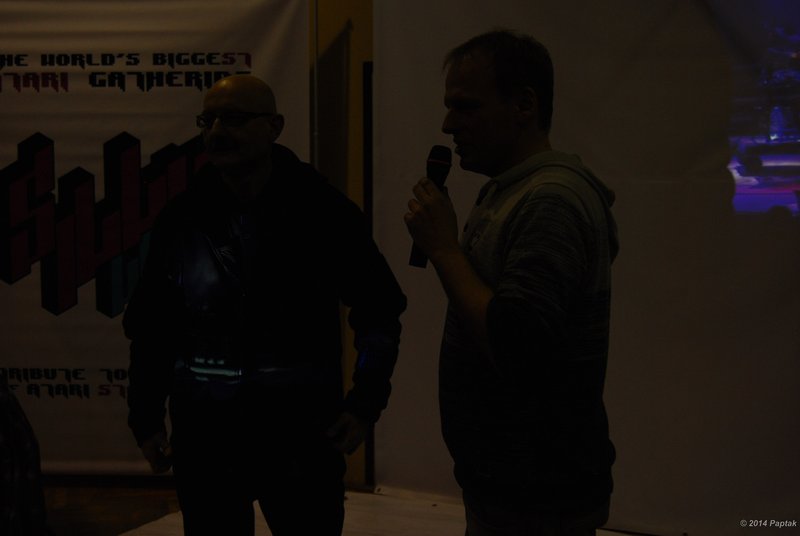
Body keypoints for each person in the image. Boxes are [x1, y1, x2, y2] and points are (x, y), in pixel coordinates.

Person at [124, 74, 407, 536]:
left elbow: (379, 309)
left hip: (300, 437)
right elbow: (153, 325)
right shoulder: (182, 218)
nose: (217, 131)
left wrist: (365, 402)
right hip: (207, 440)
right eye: (208, 120)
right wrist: (145, 416)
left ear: (275, 127)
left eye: (234, 118)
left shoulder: (322, 210)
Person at [404, 30, 618, 536]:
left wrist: (444, 250)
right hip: (509, 489)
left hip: (539, 498)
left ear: (524, 105)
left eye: (465, 107)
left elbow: (515, 344)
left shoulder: (550, 202)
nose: (448, 124)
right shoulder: (510, 191)